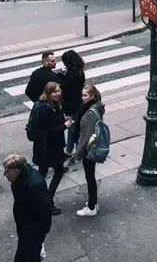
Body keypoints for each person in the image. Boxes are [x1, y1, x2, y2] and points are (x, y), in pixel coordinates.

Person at [3, 153, 52, 262]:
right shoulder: (19, 180)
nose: (5, 175)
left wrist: (39, 235)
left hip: (32, 231)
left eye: (7, 172)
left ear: (16, 171)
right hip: (25, 229)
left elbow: (45, 211)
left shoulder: (34, 185)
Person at [27, 82, 66, 216]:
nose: (58, 93)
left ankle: (38, 199)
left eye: (59, 90)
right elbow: (49, 131)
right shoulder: (46, 108)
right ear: (48, 93)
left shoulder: (43, 104)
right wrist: (64, 126)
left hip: (43, 147)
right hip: (49, 148)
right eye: (55, 91)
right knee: (59, 171)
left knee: (42, 174)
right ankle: (48, 202)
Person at [74, 84, 105, 218]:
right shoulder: (93, 107)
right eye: (82, 95)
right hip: (90, 147)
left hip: (89, 149)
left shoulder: (91, 112)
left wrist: (78, 153)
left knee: (90, 177)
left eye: (85, 95)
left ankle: (92, 206)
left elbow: (87, 135)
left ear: (92, 96)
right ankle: (93, 203)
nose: (82, 98)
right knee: (90, 176)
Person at [60, 50, 85, 156]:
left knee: (73, 128)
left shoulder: (72, 74)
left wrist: (61, 78)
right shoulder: (79, 71)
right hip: (77, 103)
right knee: (71, 127)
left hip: (71, 105)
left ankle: (79, 150)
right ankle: (70, 148)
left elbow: (67, 88)